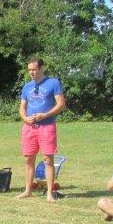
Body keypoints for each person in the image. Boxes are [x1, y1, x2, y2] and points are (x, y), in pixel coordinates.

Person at [17, 58, 66, 202]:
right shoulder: (27, 87)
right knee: (28, 158)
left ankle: (50, 193)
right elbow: (22, 106)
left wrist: (45, 115)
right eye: (29, 70)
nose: (31, 72)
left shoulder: (53, 83)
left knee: (48, 159)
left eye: (34, 69)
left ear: (41, 68)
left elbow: (61, 104)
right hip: (29, 127)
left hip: (47, 126)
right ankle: (28, 190)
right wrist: (25, 118)